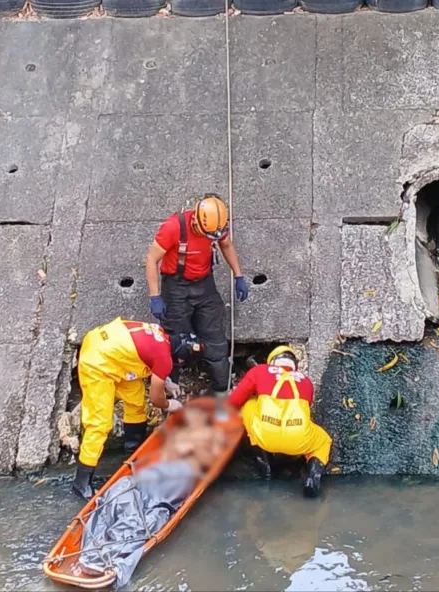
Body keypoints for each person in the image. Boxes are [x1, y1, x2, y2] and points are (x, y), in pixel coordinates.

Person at [72, 317, 204, 500]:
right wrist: (169, 404)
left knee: (136, 400)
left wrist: (166, 381)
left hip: (108, 348)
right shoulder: (164, 359)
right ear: (181, 357)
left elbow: (145, 355)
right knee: (99, 423)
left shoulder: (160, 335)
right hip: (98, 363)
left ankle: (134, 453)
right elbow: (156, 399)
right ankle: (81, 482)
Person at [145, 194, 249, 398]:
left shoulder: (215, 226)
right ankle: (171, 393)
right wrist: (155, 296)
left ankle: (221, 392)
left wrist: (239, 275)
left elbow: (226, 245)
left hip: (204, 283)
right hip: (176, 286)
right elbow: (152, 259)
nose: (212, 238)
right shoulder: (174, 227)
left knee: (215, 339)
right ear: (196, 221)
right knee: (175, 341)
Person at [227, 345, 333, 498]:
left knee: (248, 404)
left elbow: (234, 401)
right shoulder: (306, 381)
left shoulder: (260, 370)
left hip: (265, 435)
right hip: (298, 439)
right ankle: (312, 478)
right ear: (294, 365)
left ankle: (263, 463)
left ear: (273, 361)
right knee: (323, 442)